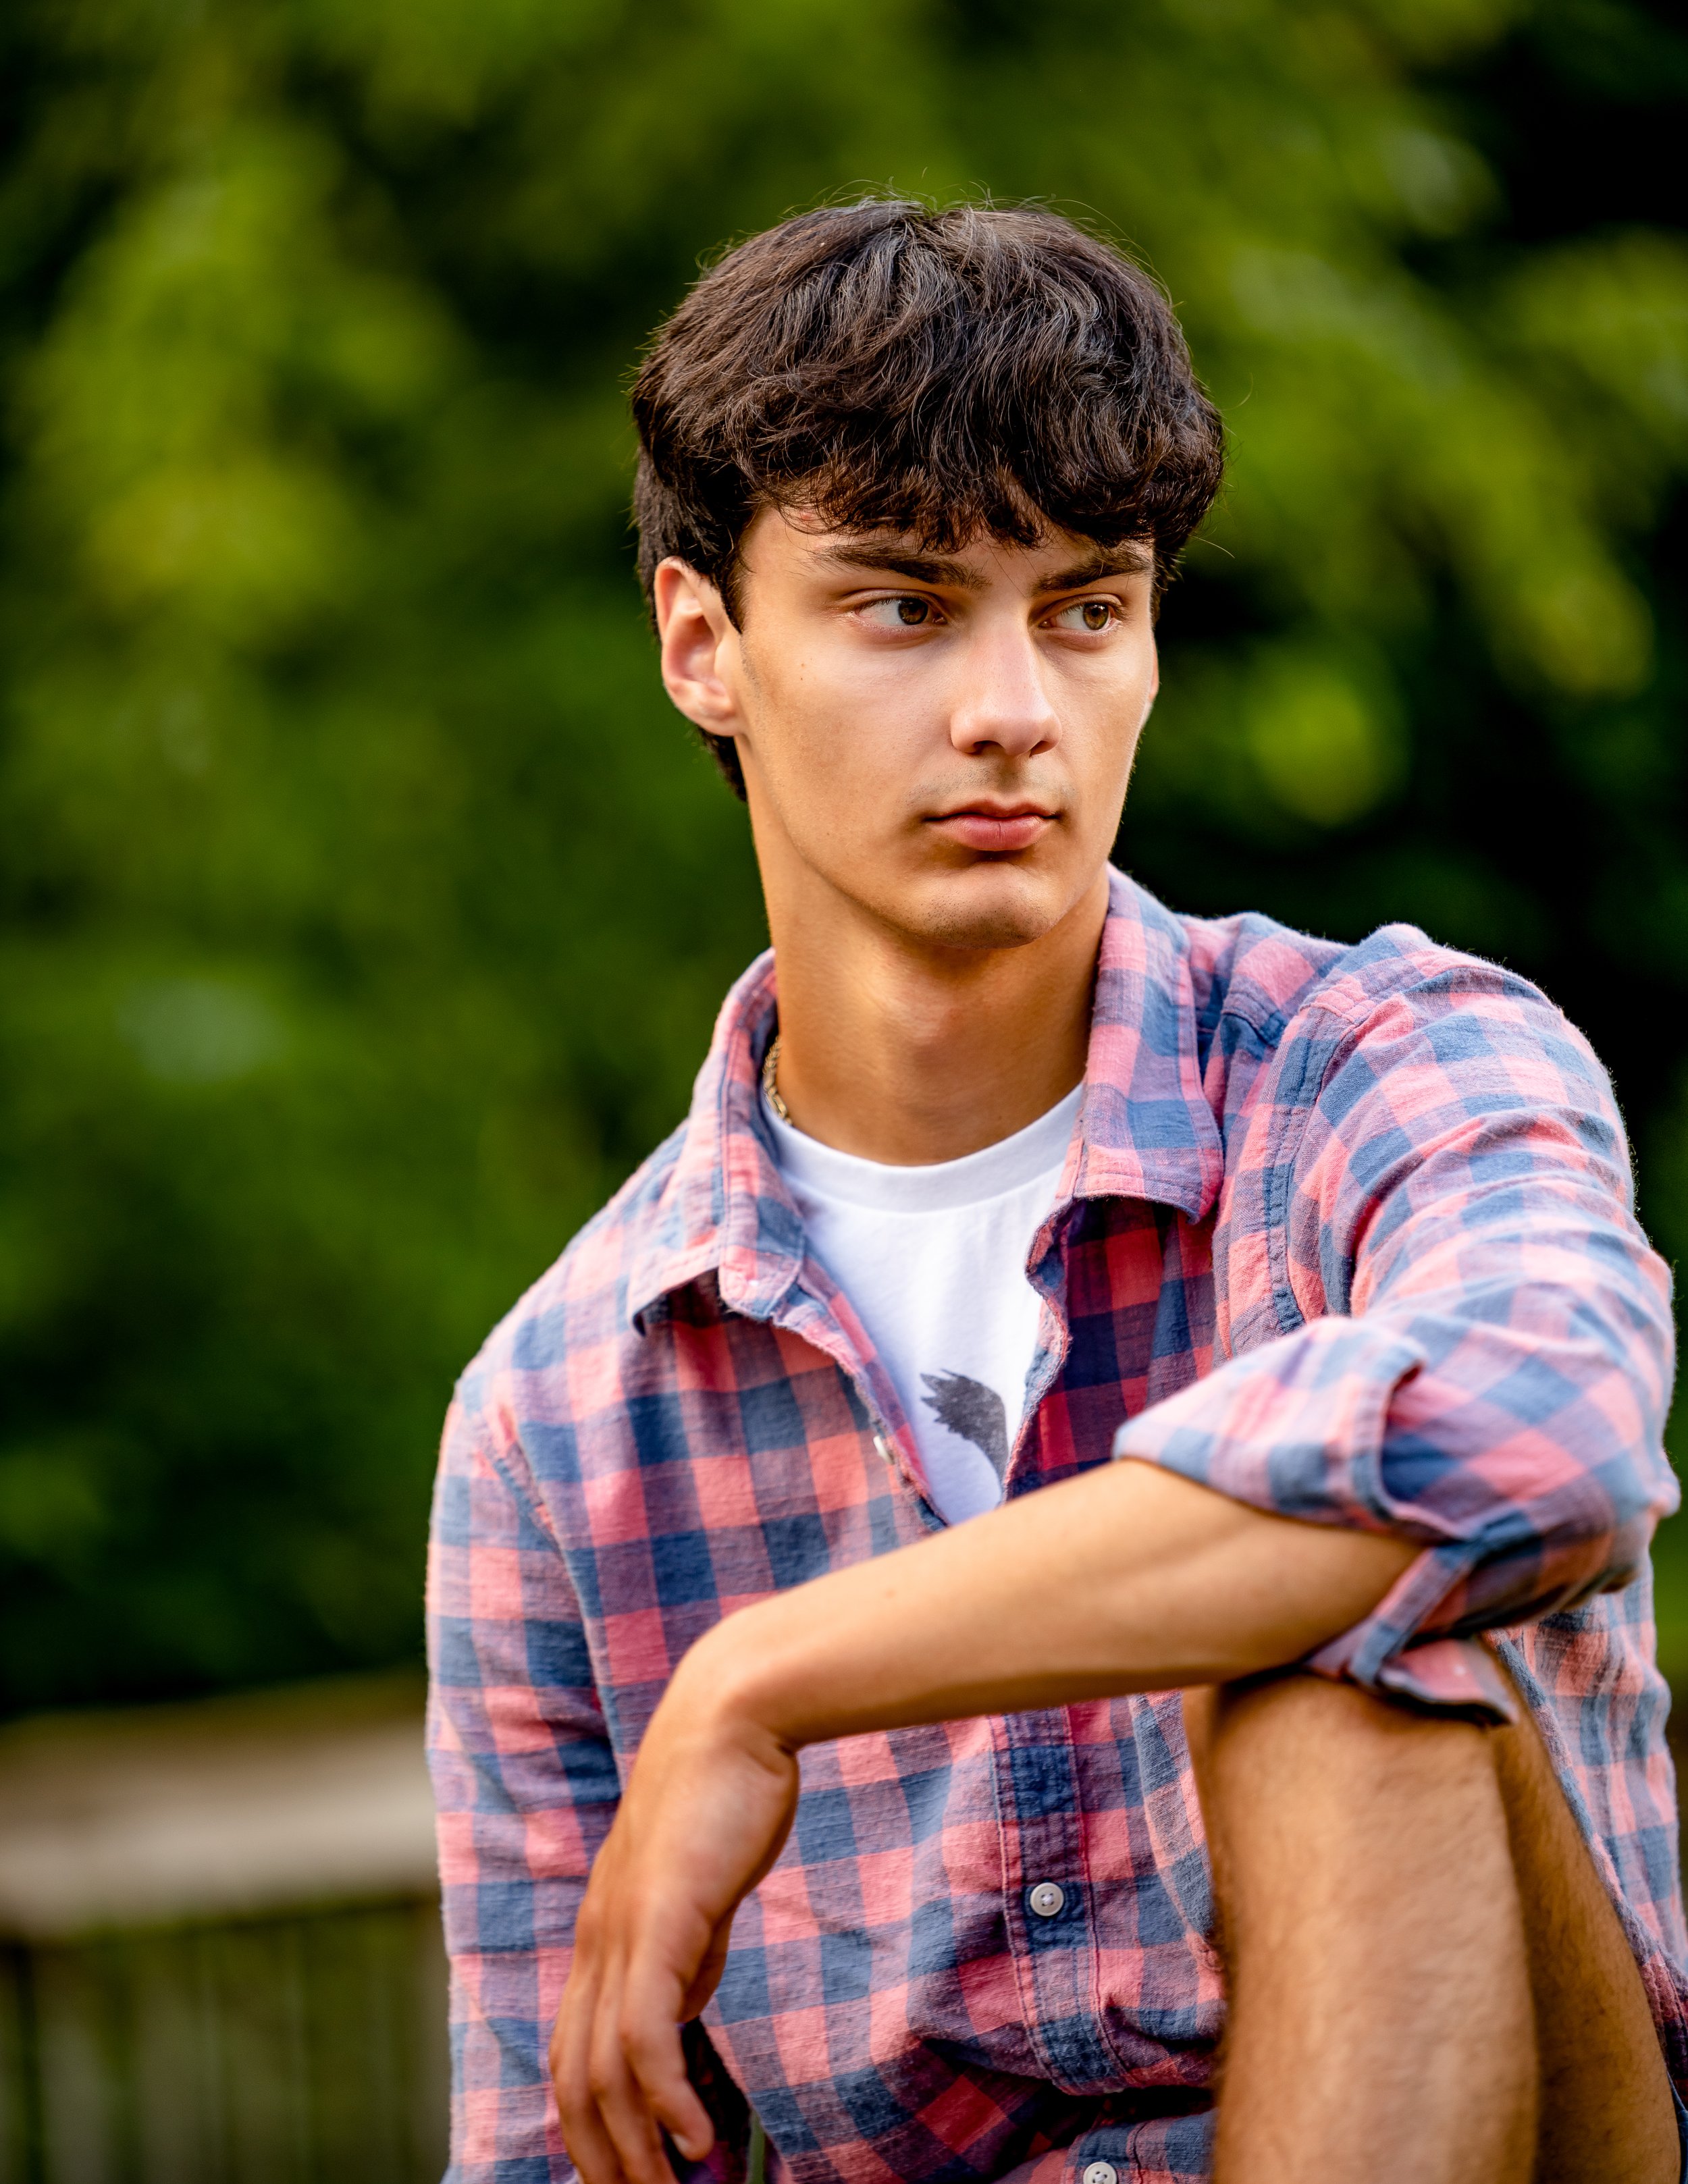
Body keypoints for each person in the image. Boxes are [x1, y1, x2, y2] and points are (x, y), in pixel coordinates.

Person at [426, 199, 1687, 2184]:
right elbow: (541, 2143)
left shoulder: (1390, 1063)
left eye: (1082, 607)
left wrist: (762, 1677)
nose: (1012, 704)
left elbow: (1546, 1433)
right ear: (703, 645)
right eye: (905, 607)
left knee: (1338, 1659)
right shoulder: (559, 1415)